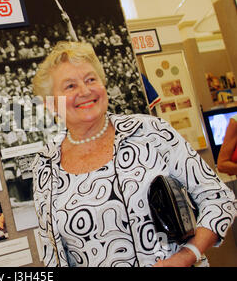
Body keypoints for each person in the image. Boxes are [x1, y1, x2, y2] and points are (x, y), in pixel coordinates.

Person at [31, 41, 236, 267]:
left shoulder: (149, 132)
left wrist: (187, 256)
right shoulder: (45, 164)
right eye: (70, 86)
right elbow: (52, 253)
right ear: (51, 104)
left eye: (91, 79)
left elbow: (218, 198)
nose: (85, 91)